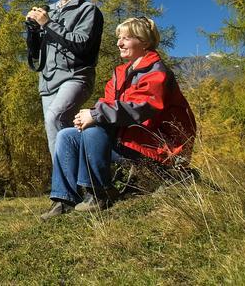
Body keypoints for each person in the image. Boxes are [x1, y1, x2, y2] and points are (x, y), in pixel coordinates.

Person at [40, 17, 197, 220]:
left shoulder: (156, 71)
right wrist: (88, 116)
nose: (119, 43)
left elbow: (144, 107)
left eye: (126, 38)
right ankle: (65, 199)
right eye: (119, 38)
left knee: (94, 127)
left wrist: (95, 115)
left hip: (158, 147)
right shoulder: (121, 73)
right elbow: (107, 103)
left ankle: (98, 192)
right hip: (128, 141)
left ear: (145, 42)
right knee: (66, 136)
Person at [25, 0, 104, 157]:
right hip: (48, 81)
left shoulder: (88, 10)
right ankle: (76, 180)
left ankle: (66, 187)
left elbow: (82, 44)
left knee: (55, 118)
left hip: (75, 76)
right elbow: (36, 53)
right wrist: (33, 31)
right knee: (55, 134)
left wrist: (48, 24)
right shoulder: (47, 11)